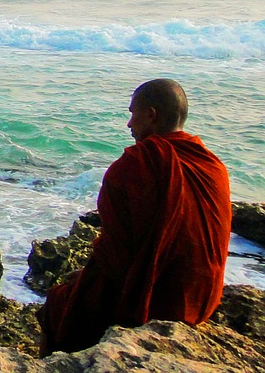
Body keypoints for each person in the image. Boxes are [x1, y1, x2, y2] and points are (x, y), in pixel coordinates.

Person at [37, 78, 232, 355]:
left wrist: (86, 280)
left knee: (57, 305)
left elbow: (116, 254)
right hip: (203, 299)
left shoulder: (135, 164)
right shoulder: (212, 165)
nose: (129, 124)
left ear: (151, 115)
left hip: (157, 303)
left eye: (132, 114)